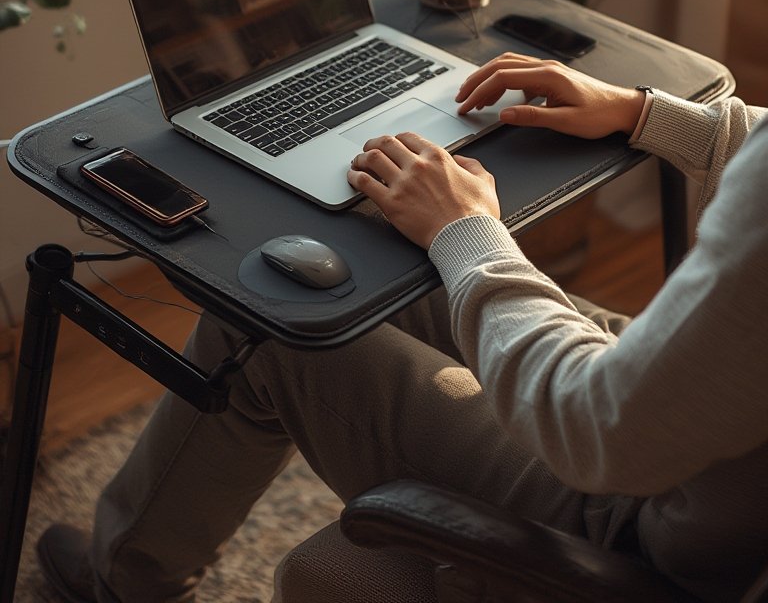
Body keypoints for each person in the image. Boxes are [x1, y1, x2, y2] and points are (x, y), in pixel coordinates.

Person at [37, 53, 768, 603]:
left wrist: (469, 233)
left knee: (268, 326)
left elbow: (598, 430)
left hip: (642, 527)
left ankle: (122, 581)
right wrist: (646, 113)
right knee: (379, 253)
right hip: (703, 451)